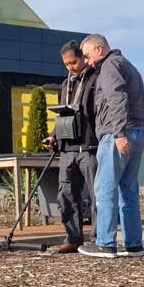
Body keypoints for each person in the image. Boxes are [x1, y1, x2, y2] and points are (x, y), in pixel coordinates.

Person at [78, 34, 144, 258]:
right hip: (137, 131)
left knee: (105, 187)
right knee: (128, 189)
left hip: (118, 133)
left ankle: (106, 244)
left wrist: (118, 132)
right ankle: (134, 245)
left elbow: (116, 98)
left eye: (88, 56)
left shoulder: (109, 66)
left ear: (99, 49)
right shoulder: (129, 66)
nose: (87, 62)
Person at [44, 40, 98, 253]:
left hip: (89, 147)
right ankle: (73, 238)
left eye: (73, 62)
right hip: (68, 149)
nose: (70, 68)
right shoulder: (66, 84)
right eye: (66, 64)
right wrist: (53, 136)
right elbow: (63, 115)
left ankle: (98, 238)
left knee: (96, 195)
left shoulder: (95, 79)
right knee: (66, 194)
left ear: (83, 58)